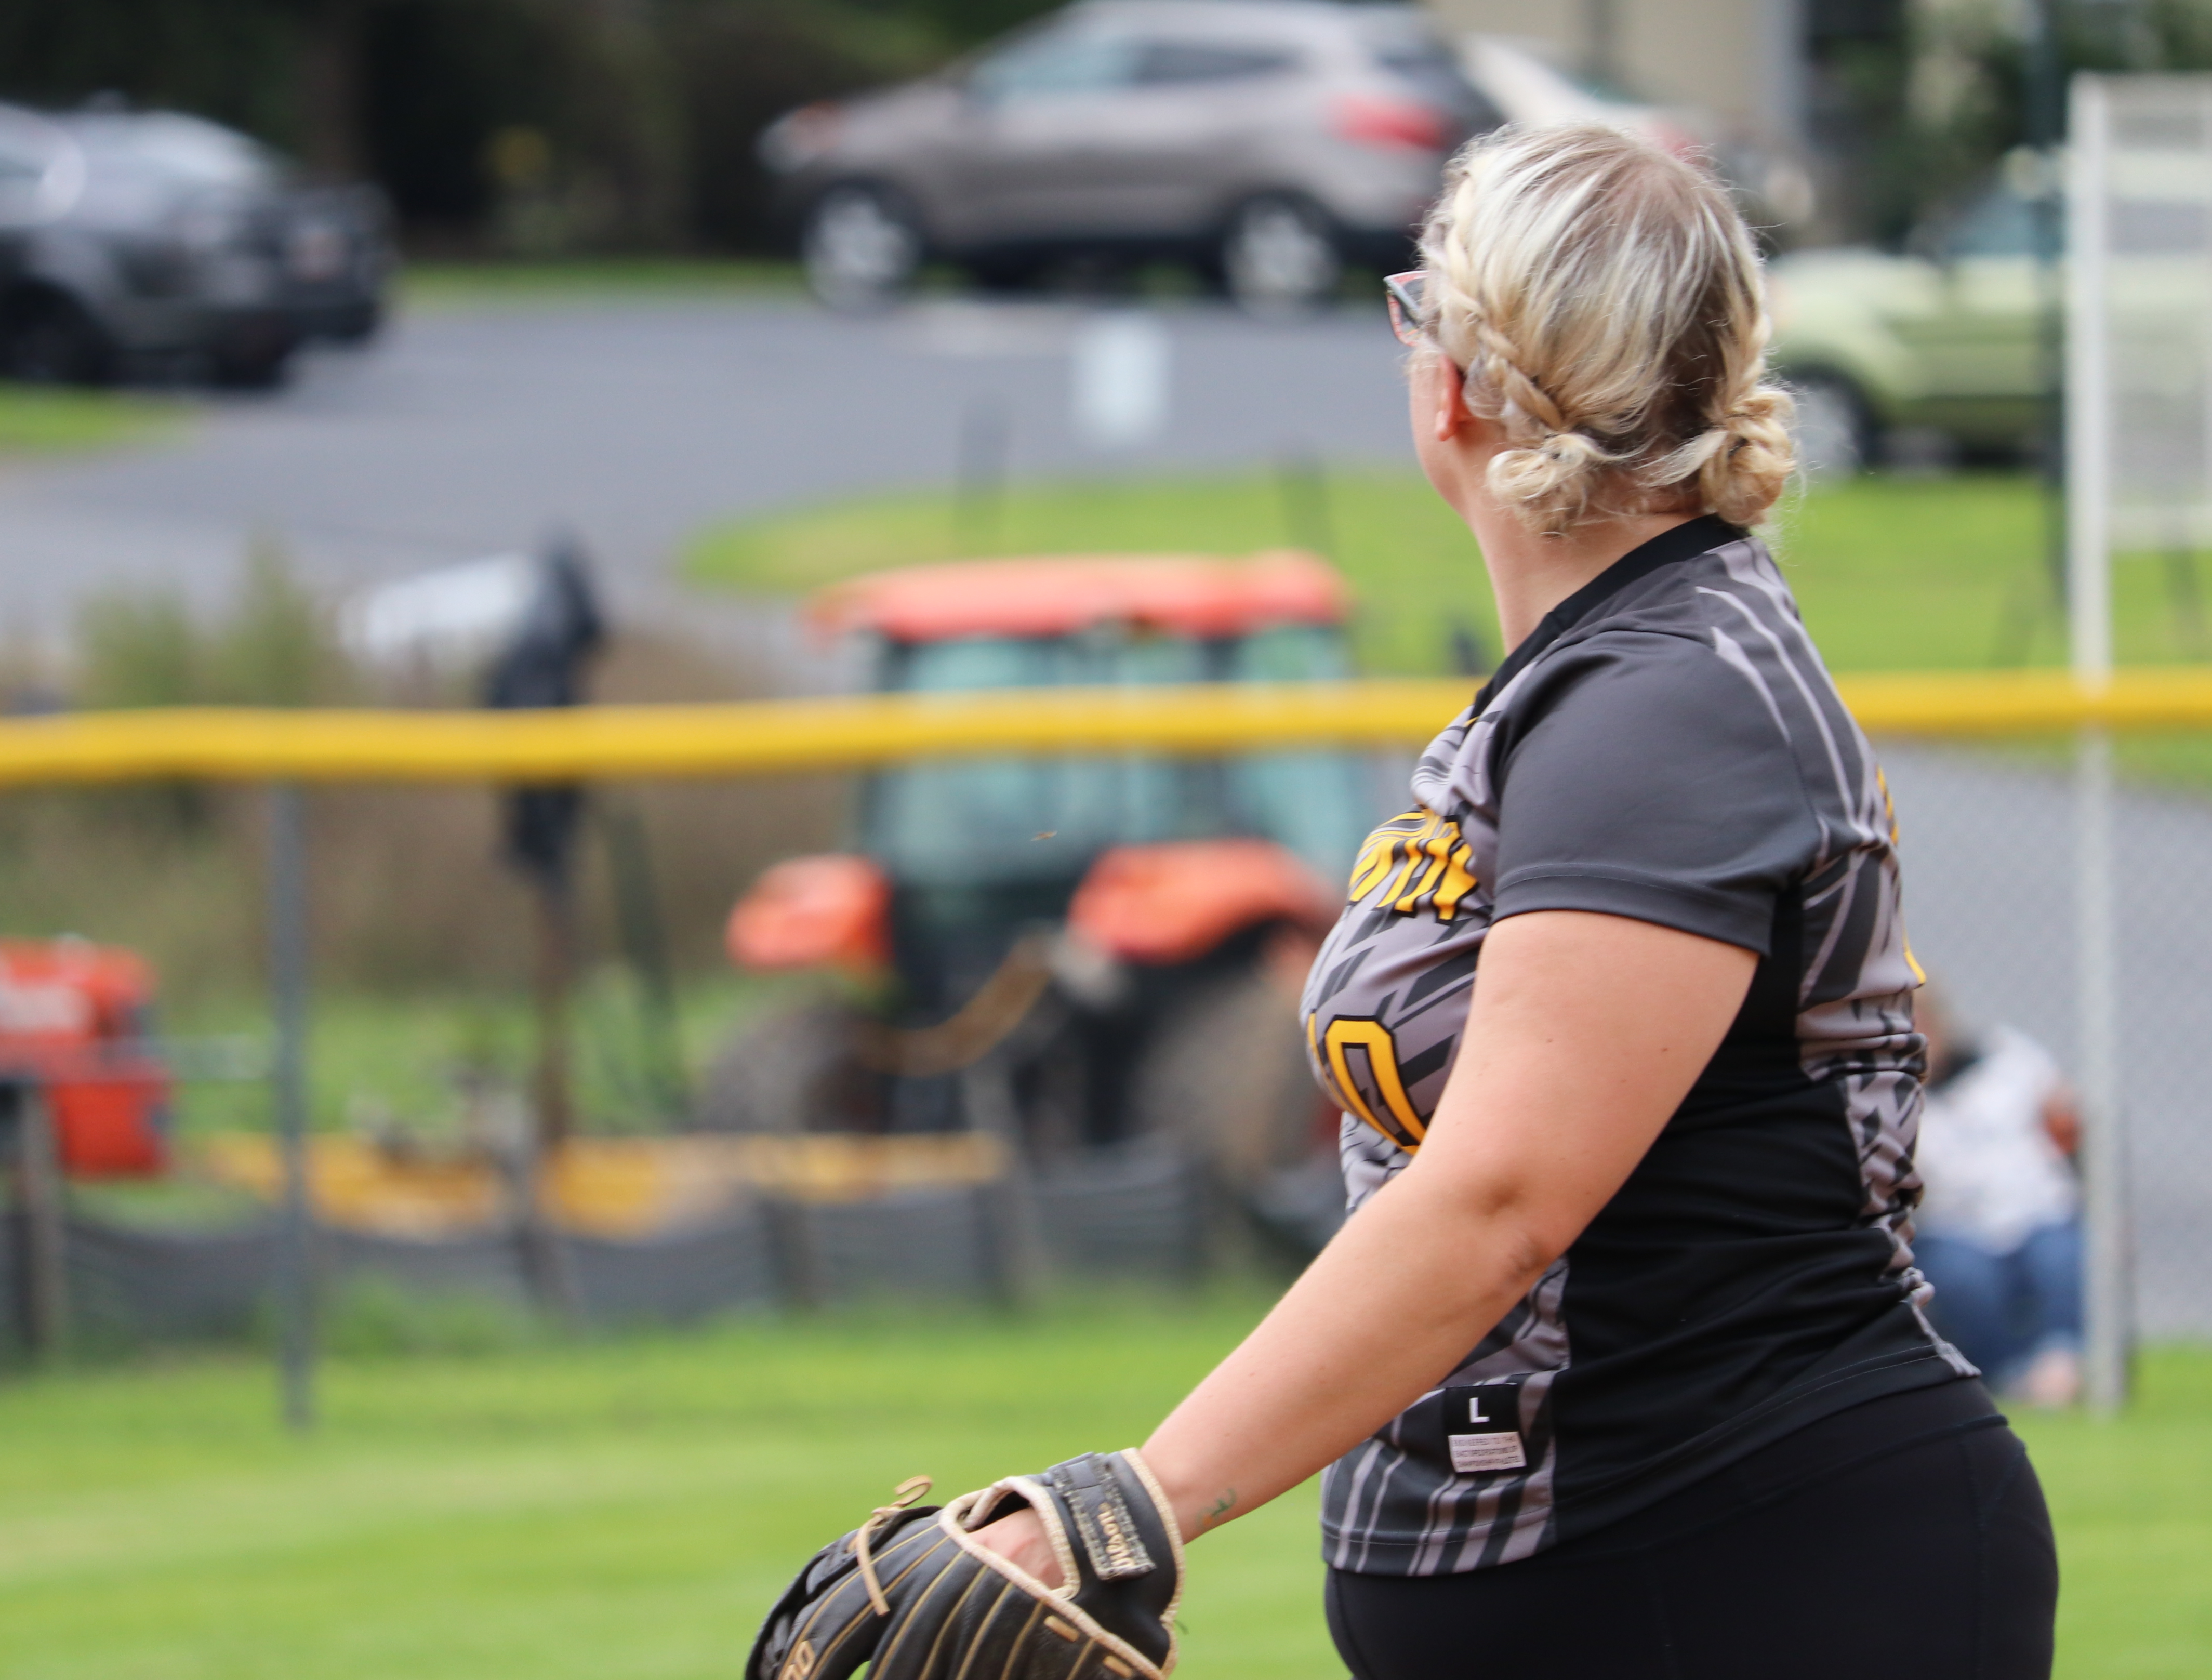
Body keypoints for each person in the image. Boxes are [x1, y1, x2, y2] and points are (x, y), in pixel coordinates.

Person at [759, 124, 2056, 1680]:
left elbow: (1503, 1197)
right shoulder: (1596, 675)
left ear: (1455, 383)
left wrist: (1132, 1502)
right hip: (1637, 1559)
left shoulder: (1668, 699)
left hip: (1741, 1559)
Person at [1914, 985, 2086, 1408]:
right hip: (1954, 1226)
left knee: (2063, 1257)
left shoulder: (2008, 1056)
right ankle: (2008, 1377)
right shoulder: (1893, 1098)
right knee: (1965, 1279)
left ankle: (2062, 1362)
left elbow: (2066, 1110)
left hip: (2038, 1211)